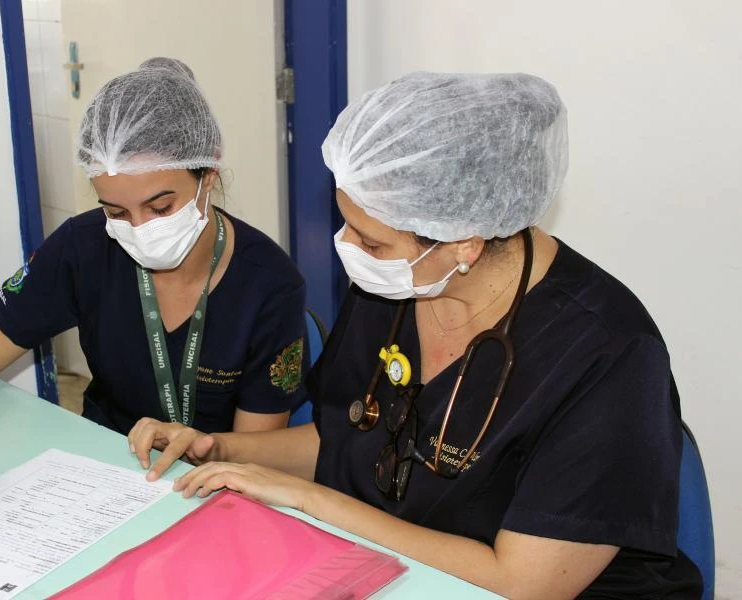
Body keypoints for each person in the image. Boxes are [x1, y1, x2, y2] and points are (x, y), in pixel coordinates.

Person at [130, 72, 702, 598]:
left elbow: (526, 584)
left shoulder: (608, 352)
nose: (346, 248)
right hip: (390, 568)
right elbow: (350, 434)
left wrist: (307, 499)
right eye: (347, 223)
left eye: (372, 241)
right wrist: (222, 450)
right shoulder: (398, 286)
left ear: (465, 241)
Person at [0, 58, 307, 487]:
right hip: (101, 468)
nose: (140, 230)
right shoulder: (83, 247)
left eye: (161, 208)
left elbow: (252, 464)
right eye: (116, 211)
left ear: (208, 174)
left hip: (209, 484)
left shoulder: (269, 284)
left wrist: (204, 447)